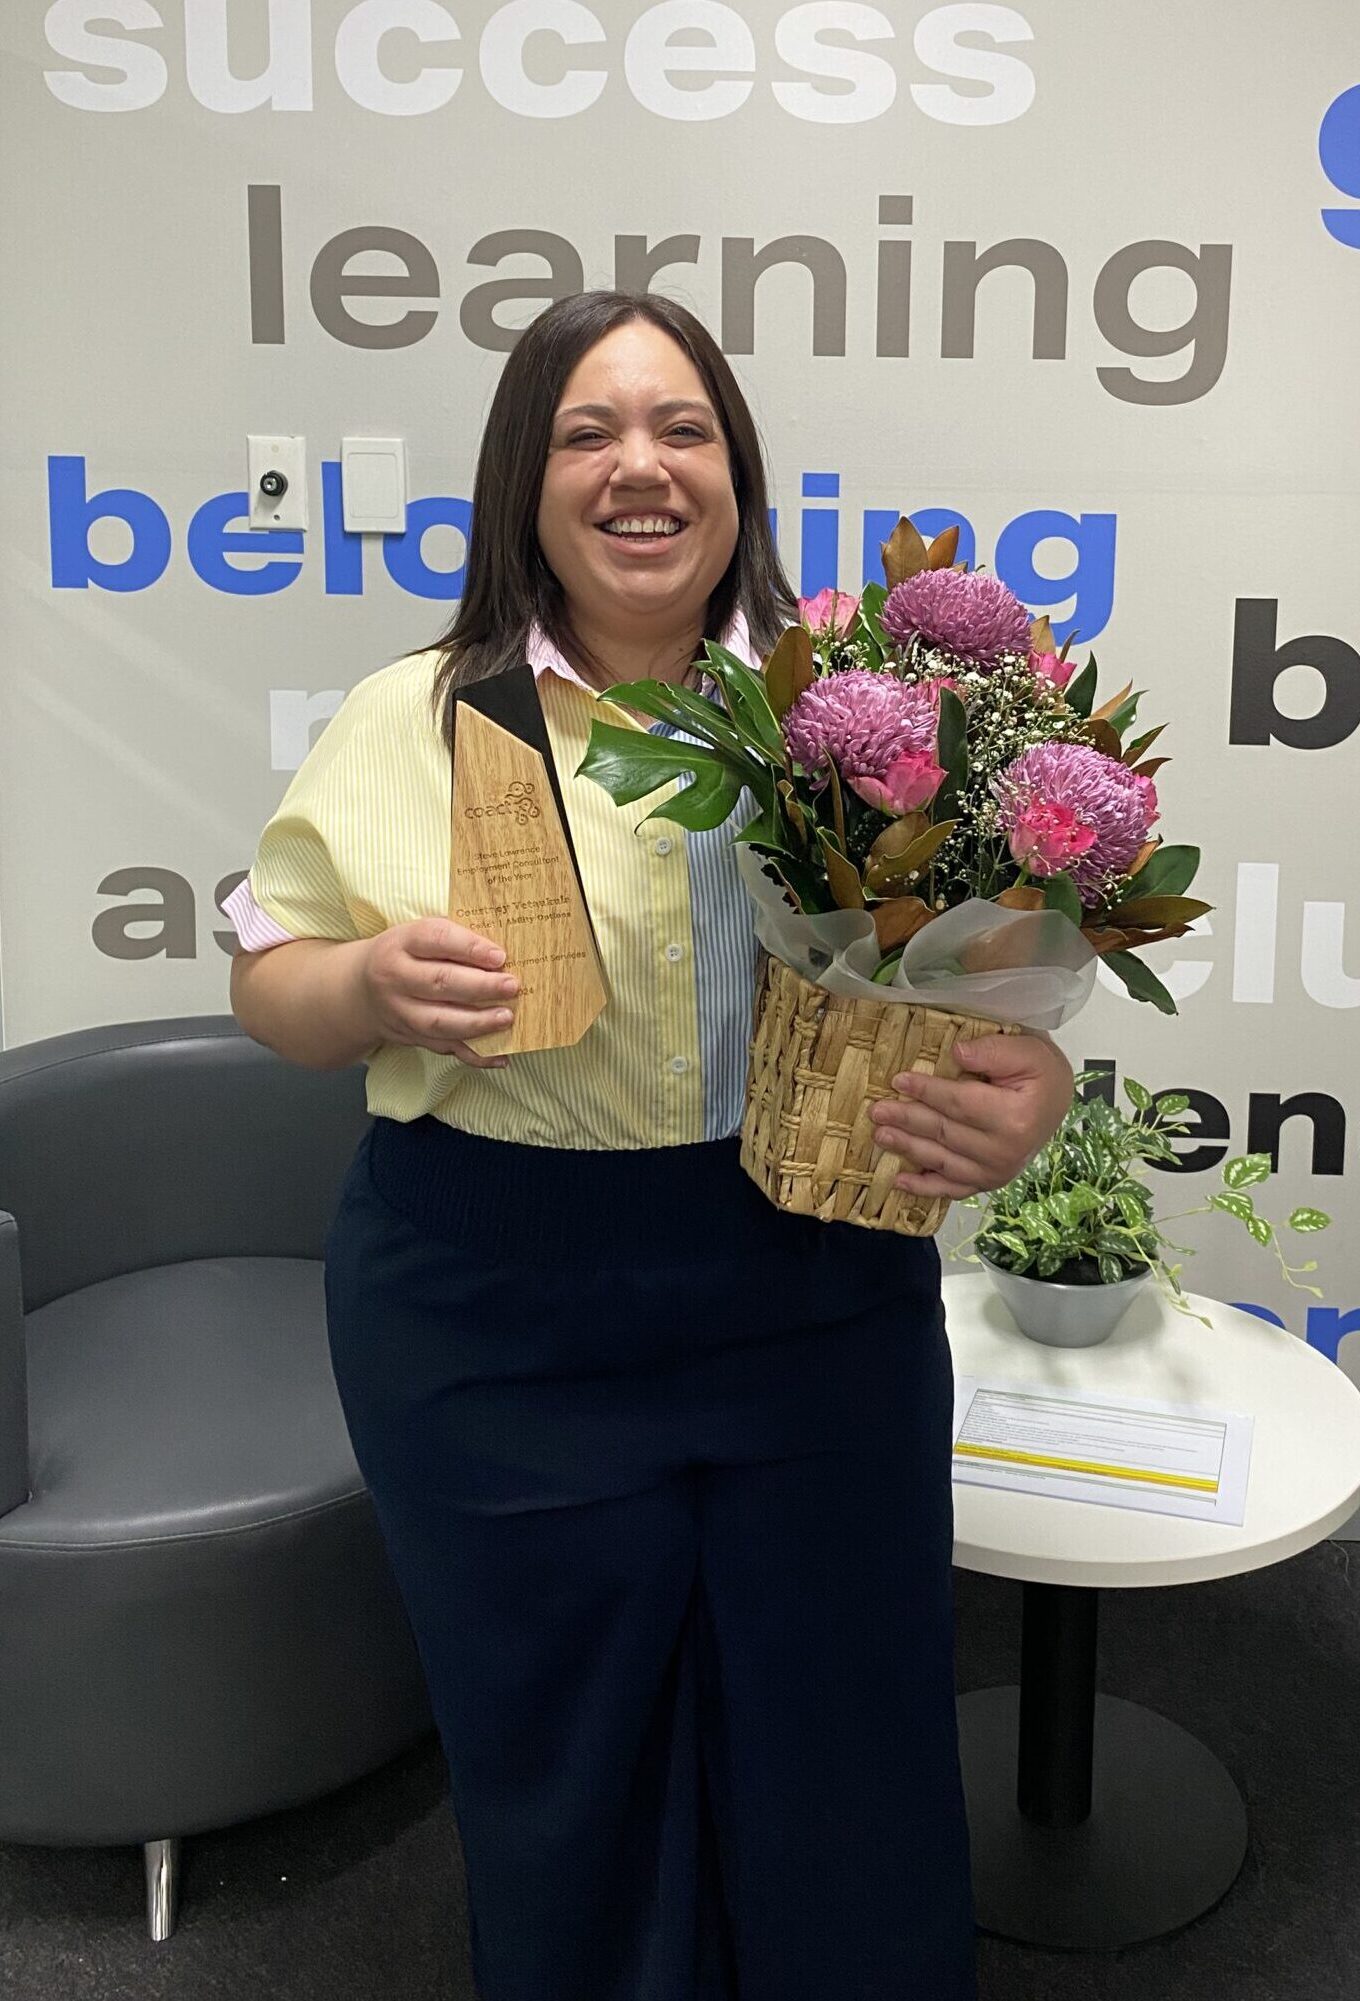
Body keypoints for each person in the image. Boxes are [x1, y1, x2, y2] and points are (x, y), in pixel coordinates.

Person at [226, 290, 1074, 2001]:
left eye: (683, 428)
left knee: (847, 1750)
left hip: (814, 1296)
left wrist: (1030, 1090)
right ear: (522, 486)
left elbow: (993, 986)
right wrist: (366, 985)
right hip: (488, 1319)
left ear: (739, 474)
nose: (642, 467)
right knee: (567, 1769)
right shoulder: (420, 714)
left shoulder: (879, 725)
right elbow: (268, 978)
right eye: (588, 432)